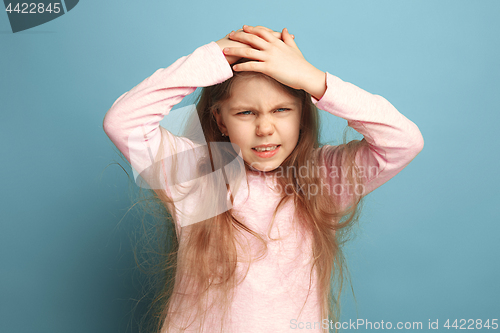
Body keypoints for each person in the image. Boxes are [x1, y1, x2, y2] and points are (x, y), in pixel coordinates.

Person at [103, 25, 424, 333]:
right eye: (246, 112)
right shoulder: (198, 174)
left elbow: (404, 141)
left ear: (302, 114)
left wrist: (314, 80)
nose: (265, 128)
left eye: (281, 110)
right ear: (220, 120)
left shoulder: (323, 178)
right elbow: (123, 121)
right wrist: (218, 55)